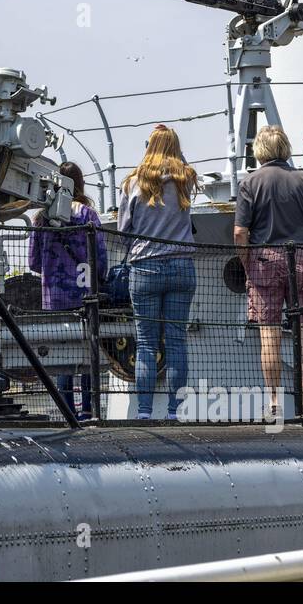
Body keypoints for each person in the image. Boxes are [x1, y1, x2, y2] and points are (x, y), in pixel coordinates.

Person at [233, 125, 303, 420]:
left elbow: (240, 232)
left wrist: (248, 263)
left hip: (263, 258)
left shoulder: (250, 182)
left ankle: (274, 404)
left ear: (259, 150)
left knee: (269, 335)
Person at [118, 125, 197, 420]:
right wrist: (173, 152)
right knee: (177, 341)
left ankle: (144, 412)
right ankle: (175, 412)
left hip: (145, 267)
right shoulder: (185, 179)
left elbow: (124, 232)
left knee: (147, 344)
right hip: (181, 267)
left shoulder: (132, 183)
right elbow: (183, 165)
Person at [28, 162, 108, 419]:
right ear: (80, 184)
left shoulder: (41, 217)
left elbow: (33, 262)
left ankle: (67, 411)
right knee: (86, 352)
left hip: (54, 296)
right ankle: (88, 409)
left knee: (62, 357)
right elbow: (101, 256)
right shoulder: (88, 215)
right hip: (86, 295)